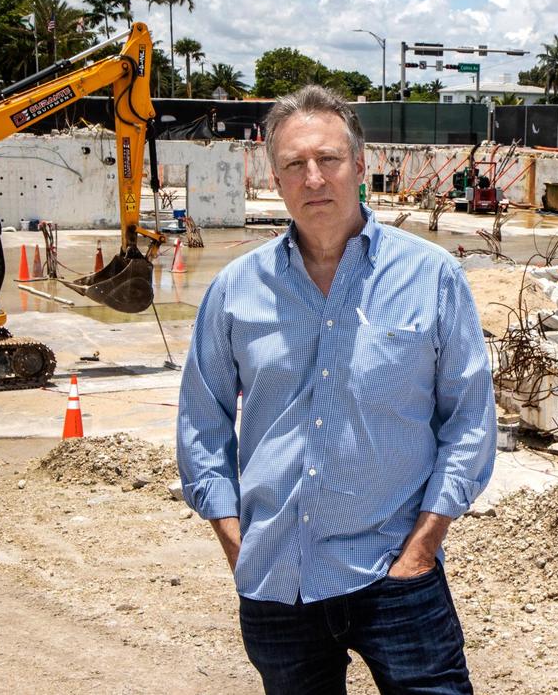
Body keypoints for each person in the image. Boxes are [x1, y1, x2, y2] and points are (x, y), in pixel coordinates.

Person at [177, 84, 496, 694]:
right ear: (274, 176)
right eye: (295, 164)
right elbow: (203, 418)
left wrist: (425, 545)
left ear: (361, 165)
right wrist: (232, 534)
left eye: (329, 159)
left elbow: (470, 419)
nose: (314, 177)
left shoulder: (432, 277)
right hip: (277, 579)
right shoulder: (236, 290)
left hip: (396, 572)